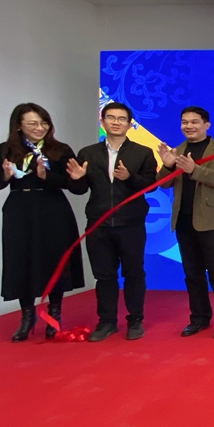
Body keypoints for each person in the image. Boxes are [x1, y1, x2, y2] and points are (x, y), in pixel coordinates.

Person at [0, 103, 85, 342]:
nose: (39, 128)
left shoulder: (60, 150)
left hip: (53, 209)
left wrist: (48, 176)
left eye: (44, 123)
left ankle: (54, 314)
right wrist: (6, 176)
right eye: (33, 123)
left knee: (56, 259)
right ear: (19, 125)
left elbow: (77, 187)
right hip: (20, 210)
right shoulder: (5, 150)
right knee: (22, 259)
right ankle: (27, 316)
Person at [66, 102, 157, 342]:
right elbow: (79, 189)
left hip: (131, 223)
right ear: (102, 121)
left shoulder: (143, 152)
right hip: (99, 224)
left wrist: (130, 177)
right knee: (104, 276)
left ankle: (135, 320)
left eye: (121, 118)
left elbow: (150, 185)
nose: (116, 122)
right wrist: (76, 179)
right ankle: (106, 321)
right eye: (111, 117)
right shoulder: (88, 153)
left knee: (134, 273)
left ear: (129, 124)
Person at [157, 106, 214, 339]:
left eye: (194, 122)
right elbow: (162, 183)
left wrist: (195, 170)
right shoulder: (177, 151)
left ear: (206, 125)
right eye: (184, 122)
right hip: (184, 221)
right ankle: (199, 318)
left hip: (212, 222)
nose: (189, 126)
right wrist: (168, 165)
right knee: (192, 274)